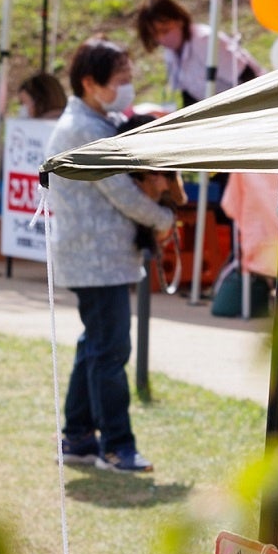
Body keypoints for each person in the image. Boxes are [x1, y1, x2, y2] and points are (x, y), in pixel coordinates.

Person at [47, 40, 177, 473]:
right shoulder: (86, 130)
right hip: (95, 260)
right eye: (120, 80)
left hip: (96, 259)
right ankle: (117, 446)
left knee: (95, 346)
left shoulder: (96, 122)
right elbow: (123, 194)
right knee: (110, 351)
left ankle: (79, 437)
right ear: (91, 83)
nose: (127, 87)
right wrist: (163, 218)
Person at [130, 0, 255, 106]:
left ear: (179, 20)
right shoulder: (171, 53)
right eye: (155, 34)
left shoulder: (205, 41)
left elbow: (247, 75)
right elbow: (189, 95)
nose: (161, 38)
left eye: (165, 30)